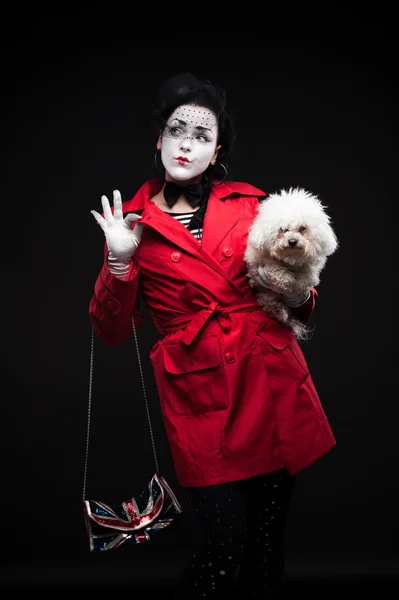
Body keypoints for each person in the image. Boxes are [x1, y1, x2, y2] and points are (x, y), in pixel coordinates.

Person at [89, 72, 336, 599]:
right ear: (159, 139)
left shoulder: (252, 205)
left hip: (269, 382)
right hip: (203, 397)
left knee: (267, 549)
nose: (187, 142)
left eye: (202, 135)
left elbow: (301, 293)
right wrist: (118, 261)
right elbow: (111, 331)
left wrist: (297, 297)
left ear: (217, 147)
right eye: (177, 130)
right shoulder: (133, 224)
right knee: (222, 550)